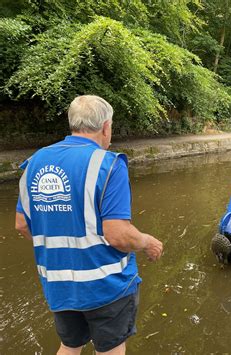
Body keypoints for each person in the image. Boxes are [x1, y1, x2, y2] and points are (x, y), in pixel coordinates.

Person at [15, 95, 163, 354]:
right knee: (110, 349)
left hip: (58, 282)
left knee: (70, 346)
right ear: (106, 127)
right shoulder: (108, 163)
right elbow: (117, 234)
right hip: (105, 286)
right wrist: (147, 242)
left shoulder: (35, 162)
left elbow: (22, 225)